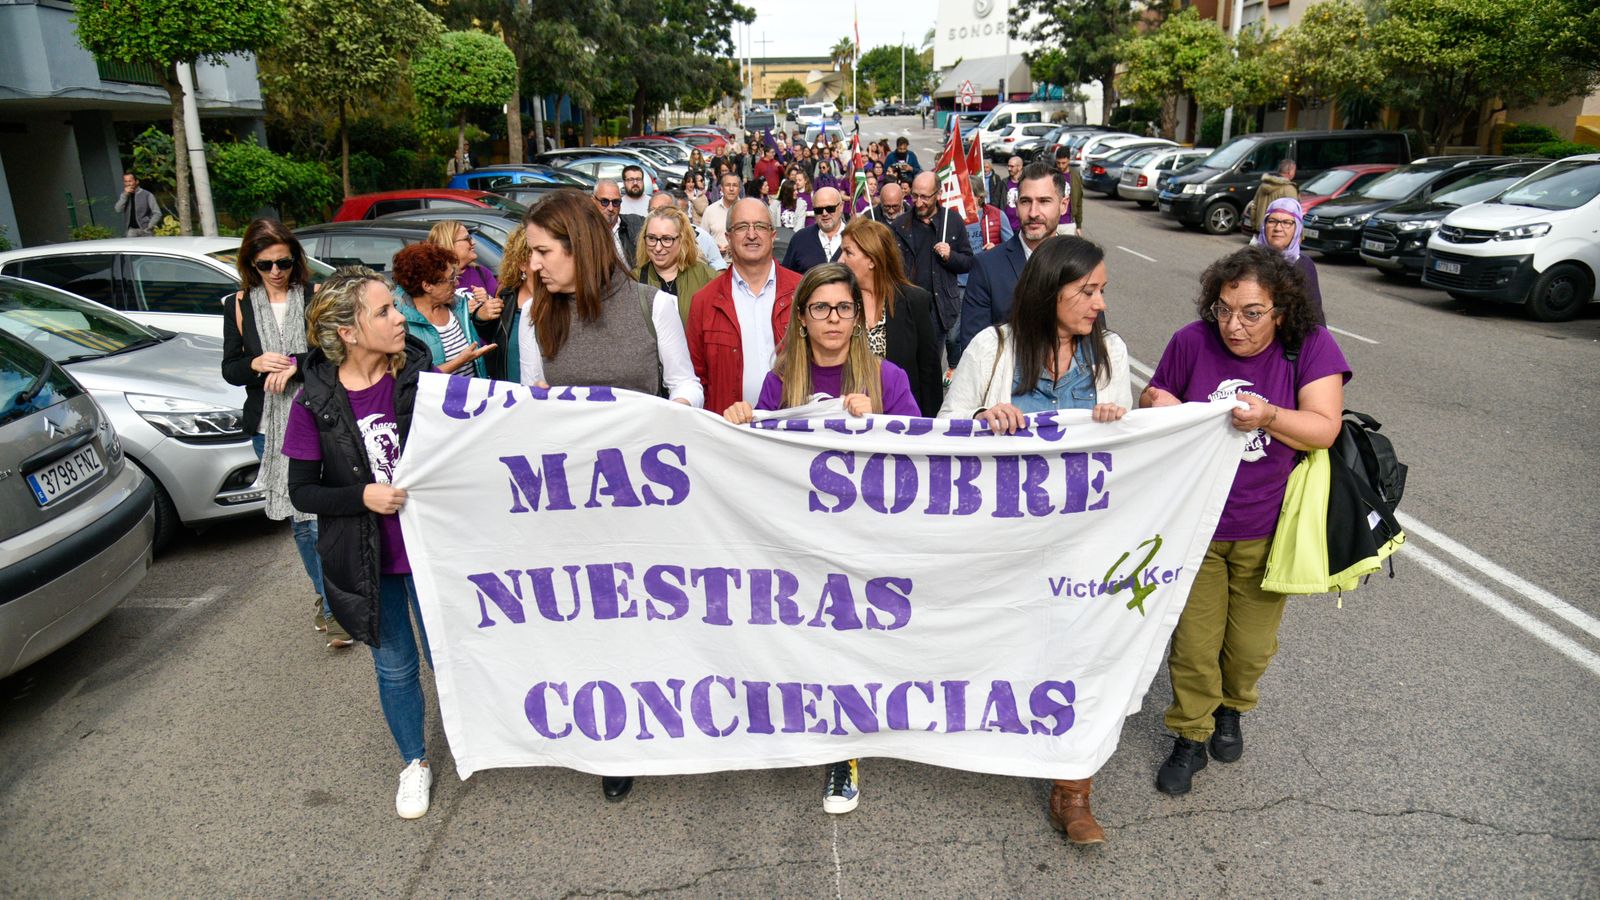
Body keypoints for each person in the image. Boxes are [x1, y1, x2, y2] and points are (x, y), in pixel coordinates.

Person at [938, 235, 1132, 844]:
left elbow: (1129, 454)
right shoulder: (991, 347)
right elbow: (944, 431)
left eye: (1102, 290)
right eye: (1088, 291)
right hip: (1003, 543)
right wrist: (982, 420)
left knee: (1080, 656)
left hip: (1080, 544)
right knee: (1004, 644)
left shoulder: (1110, 354)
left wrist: (1116, 424)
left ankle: (1073, 791)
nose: (1100, 304)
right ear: (1051, 292)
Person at [1140, 246, 1349, 797]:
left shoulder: (1310, 346)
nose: (1234, 326)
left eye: (1252, 313)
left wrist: (1270, 415)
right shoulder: (1191, 341)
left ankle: (1232, 707)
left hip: (1268, 527)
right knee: (1193, 645)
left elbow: (1324, 428)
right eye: (1224, 310)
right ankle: (1191, 733)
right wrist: (1157, 404)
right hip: (1197, 527)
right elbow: (1154, 399)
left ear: (1281, 311)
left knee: (1249, 648)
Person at [720, 262, 920, 817]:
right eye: (821, 308)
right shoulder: (781, 380)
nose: (833, 318)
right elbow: (758, 460)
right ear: (802, 319)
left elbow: (923, 463)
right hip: (800, 540)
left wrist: (880, 422)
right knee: (809, 642)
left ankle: (843, 751)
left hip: (867, 541)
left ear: (858, 317)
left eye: (844, 308)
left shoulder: (888, 378)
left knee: (851, 644)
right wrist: (740, 418)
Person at [283, 267, 439, 819]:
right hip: (369, 559)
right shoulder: (313, 402)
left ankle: (479, 739)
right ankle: (414, 763)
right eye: (384, 311)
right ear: (348, 332)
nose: (400, 319)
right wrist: (362, 496)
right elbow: (301, 492)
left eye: (395, 307)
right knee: (396, 665)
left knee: (449, 655)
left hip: (433, 551)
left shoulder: (420, 376)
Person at [221, 218, 348, 647]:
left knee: (318, 519)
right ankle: (328, 600)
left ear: (296, 259)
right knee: (299, 520)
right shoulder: (238, 305)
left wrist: (294, 363)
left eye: (284, 262)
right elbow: (230, 369)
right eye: (266, 265)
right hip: (267, 426)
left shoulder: (314, 296)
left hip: (317, 417)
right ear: (251, 264)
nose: (276, 272)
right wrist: (255, 364)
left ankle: (335, 607)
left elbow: (334, 352)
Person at [686, 198, 803, 414]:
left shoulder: (802, 292)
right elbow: (696, 378)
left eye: (760, 226)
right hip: (730, 427)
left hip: (792, 424)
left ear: (773, 235)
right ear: (728, 237)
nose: (751, 234)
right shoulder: (704, 301)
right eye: (741, 227)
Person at [958, 162, 1066, 359]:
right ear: (1016, 206)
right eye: (1025, 201)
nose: (1033, 213)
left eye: (1044, 201)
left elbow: (1094, 343)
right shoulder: (987, 267)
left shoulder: (1080, 263)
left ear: (1063, 205)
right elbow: (974, 350)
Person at [838, 218, 943, 416]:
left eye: (848, 253)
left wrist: (929, 427)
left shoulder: (914, 301)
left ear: (872, 260)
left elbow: (929, 374)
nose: (840, 260)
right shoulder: (838, 302)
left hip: (900, 419)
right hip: (847, 416)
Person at [894, 172, 974, 354]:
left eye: (924, 197)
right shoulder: (900, 225)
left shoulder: (952, 221)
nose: (918, 202)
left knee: (931, 363)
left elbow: (968, 262)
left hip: (939, 310)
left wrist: (950, 256)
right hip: (908, 307)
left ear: (938, 194)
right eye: (914, 195)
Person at [392, 243, 498, 377]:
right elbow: (412, 377)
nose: (457, 283)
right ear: (427, 286)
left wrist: (480, 317)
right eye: (451, 278)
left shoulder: (459, 305)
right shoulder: (401, 323)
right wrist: (461, 360)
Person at [635, 205, 717, 325]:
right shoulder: (633, 280)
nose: (658, 248)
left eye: (667, 239)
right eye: (652, 238)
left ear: (682, 240)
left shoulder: (707, 278)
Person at [1256, 198, 1324, 324]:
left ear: (1297, 228)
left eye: (1286, 222)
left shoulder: (1304, 265)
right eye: (1272, 221)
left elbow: (1314, 313)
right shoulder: (1251, 260)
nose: (1278, 228)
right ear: (1264, 225)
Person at [482, 224, 530, 382]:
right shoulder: (506, 296)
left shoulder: (559, 299)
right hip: (511, 390)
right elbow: (493, 341)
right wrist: (480, 317)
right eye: (540, 253)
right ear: (522, 263)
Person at [652, 190, 727, 271]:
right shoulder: (650, 238)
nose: (679, 217)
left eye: (682, 212)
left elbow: (719, 265)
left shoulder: (701, 236)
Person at [782, 186, 847, 273]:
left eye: (830, 209)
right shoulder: (800, 239)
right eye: (818, 210)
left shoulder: (856, 237)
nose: (824, 213)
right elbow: (786, 275)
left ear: (841, 206)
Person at [428, 220, 498, 298]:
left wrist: (487, 299)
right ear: (448, 244)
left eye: (470, 238)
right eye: (467, 239)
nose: (473, 242)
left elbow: (500, 303)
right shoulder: (433, 279)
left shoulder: (481, 272)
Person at [594, 179, 644, 264]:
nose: (610, 208)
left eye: (615, 202)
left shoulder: (637, 224)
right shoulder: (583, 230)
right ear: (593, 201)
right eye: (604, 202)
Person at [1250, 159, 1299, 233]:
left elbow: (1254, 207)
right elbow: (1294, 214)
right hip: (1279, 232)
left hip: (1261, 229)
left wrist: (1255, 226)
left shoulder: (1263, 186)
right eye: (1294, 171)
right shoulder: (1289, 189)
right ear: (1290, 172)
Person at [705, 172, 742, 257]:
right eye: (728, 185)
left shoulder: (747, 210)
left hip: (741, 262)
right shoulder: (710, 210)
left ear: (739, 189)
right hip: (715, 261)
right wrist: (713, 248)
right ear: (721, 188)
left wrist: (737, 248)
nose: (731, 189)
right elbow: (702, 240)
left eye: (735, 185)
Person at [1052, 145, 1086, 236]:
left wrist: (1078, 225)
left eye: (1063, 163)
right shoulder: (1051, 175)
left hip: (1068, 224)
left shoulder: (1075, 177)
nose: (1060, 166)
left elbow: (1078, 202)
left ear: (1069, 160)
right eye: (1058, 163)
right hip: (1052, 223)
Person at [115, 173, 159, 237]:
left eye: (130, 181)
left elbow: (157, 213)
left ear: (137, 181)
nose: (128, 184)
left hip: (145, 230)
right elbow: (118, 210)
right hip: (131, 231)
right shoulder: (124, 195)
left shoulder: (147, 195)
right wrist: (125, 195)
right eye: (125, 181)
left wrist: (149, 227)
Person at [1000, 154, 1025, 233]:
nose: (1009, 169)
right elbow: (996, 202)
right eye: (1008, 166)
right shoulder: (1003, 183)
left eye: (1012, 166)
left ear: (1019, 167)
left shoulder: (1027, 183)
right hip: (1005, 226)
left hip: (1021, 227)